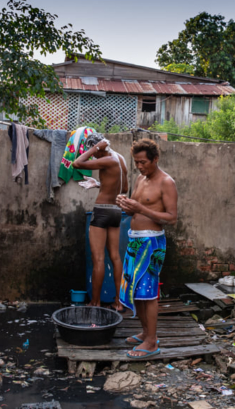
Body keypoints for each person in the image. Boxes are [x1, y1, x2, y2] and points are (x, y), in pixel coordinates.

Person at [116, 139, 178, 359]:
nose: (140, 167)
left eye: (143, 162)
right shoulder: (140, 179)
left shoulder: (166, 182)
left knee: (149, 293)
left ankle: (152, 342)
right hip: (134, 240)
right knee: (137, 291)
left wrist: (140, 207)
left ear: (155, 159)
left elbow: (171, 218)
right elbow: (136, 211)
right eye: (136, 162)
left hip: (152, 243)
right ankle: (145, 332)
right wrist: (126, 205)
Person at [72, 133, 128, 310]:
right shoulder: (120, 158)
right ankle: (118, 302)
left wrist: (95, 148)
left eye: (94, 151)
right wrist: (98, 184)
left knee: (98, 259)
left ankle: (95, 302)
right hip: (117, 211)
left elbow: (77, 163)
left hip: (102, 210)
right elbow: (124, 188)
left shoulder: (107, 158)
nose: (94, 155)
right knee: (116, 257)